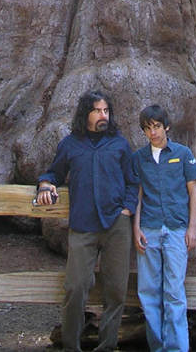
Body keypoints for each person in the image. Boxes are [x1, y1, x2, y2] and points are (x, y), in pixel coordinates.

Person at [36, 90, 138, 352]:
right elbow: (54, 172)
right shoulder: (71, 144)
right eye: (97, 111)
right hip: (83, 227)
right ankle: (71, 346)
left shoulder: (119, 144)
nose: (103, 116)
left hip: (116, 227)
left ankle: (107, 346)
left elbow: (132, 181)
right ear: (86, 114)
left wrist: (127, 209)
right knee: (75, 288)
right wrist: (45, 184)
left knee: (115, 291)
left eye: (106, 111)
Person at [132, 104, 196, 352]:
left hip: (176, 229)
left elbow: (194, 191)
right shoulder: (138, 158)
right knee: (148, 292)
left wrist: (192, 227)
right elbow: (137, 195)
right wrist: (136, 228)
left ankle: (176, 348)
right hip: (149, 229)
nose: (153, 133)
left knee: (174, 292)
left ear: (166, 126)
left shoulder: (182, 154)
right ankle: (157, 347)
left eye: (157, 127)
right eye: (148, 128)